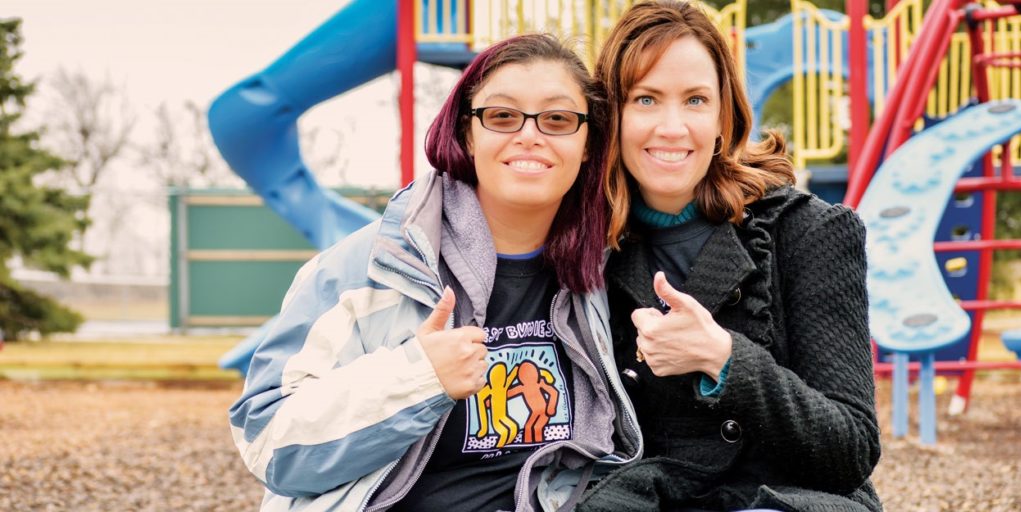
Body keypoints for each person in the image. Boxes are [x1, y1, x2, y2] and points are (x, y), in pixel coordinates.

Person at [228, 34, 641, 512]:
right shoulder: (369, 270)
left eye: (558, 119)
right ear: (467, 133)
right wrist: (418, 378)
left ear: (588, 143)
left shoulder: (606, 274)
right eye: (502, 116)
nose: (530, 135)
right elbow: (269, 446)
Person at [577, 2, 882, 511]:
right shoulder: (587, 247)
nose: (672, 127)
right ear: (612, 115)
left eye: (695, 100)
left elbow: (850, 449)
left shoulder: (809, 232)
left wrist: (724, 358)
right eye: (646, 100)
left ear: (725, 114)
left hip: (792, 497)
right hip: (652, 495)